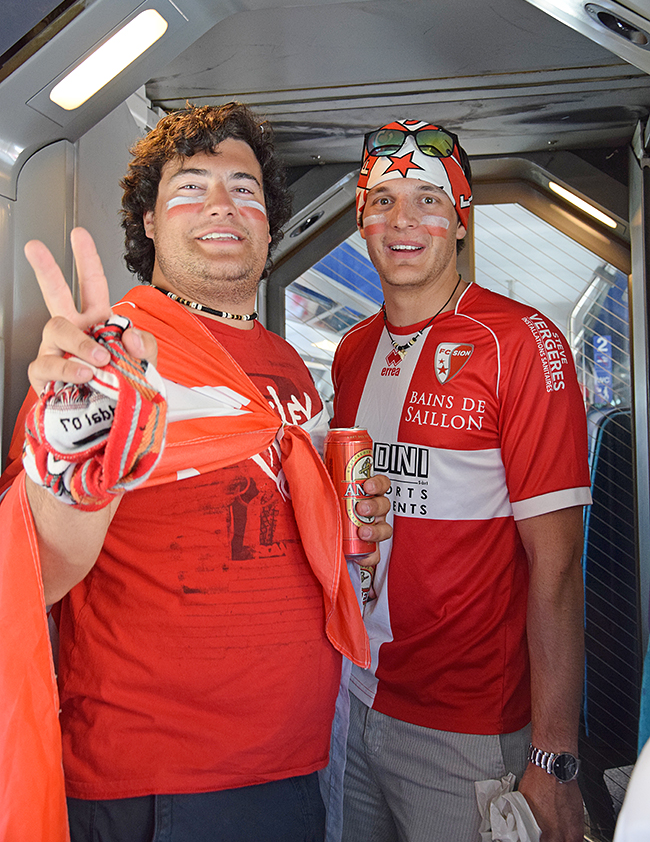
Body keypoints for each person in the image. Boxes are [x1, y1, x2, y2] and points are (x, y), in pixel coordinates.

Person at [0, 103, 391, 842]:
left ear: (269, 223)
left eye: (245, 190)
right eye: (191, 187)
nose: (222, 205)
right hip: (159, 783)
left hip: (292, 765)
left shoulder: (289, 370)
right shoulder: (108, 361)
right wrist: (76, 458)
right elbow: (38, 569)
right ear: (148, 223)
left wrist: (344, 517)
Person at [331, 119, 592, 842]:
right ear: (359, 215)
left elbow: (560, 567)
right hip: (357, 706)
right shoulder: (352, 351)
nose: (403, 220)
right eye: (382, 198)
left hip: (469, 729)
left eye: (427, 198)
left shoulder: (520, 343)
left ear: (461, 217)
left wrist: (555, 757)